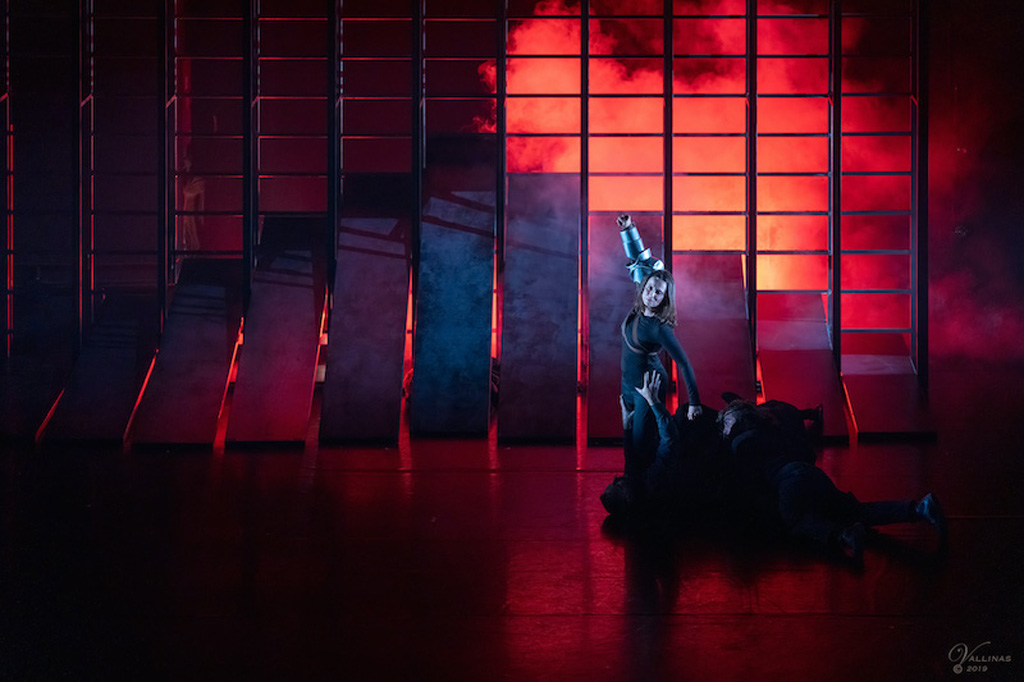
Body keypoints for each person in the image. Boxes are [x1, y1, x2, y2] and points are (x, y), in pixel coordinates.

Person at [719, 398, 946, 564]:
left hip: (787, 481)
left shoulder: (741, 443)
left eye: (726, 423)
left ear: (738, 421)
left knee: (794, 520)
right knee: (856, 510)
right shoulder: (776, 426)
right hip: (811, 473)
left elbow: (748, 483)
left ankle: (843, 534)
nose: (724, 429)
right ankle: (918, 508)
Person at [620, 268, 703, 475]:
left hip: (648, 389)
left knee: (642, 445)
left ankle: (649, 486)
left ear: (665, 298)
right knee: (630, 438)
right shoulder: (638, 310)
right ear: (642, 288)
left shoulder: (659, 328)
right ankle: (631, 485)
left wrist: (694, 402)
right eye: (649, 289)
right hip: (628, 383)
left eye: (658, 293)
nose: (652, 295)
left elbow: (684, 363)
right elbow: (642, 265)